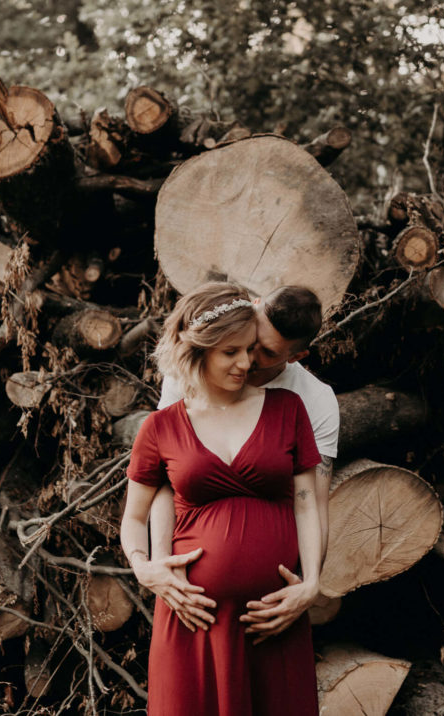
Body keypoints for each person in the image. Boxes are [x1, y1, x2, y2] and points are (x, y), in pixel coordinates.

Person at [120, 282, 322, 715]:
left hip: (272, 620)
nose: (246, 363)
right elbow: (134, 516)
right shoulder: (160, 428)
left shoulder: (289, 408)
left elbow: (307, 502)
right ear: (200, 351)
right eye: (231, 352)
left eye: (250, 350)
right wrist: (146, 569)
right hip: (193, 618)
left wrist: (311, 584)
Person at [151, 285, 339, 637]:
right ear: (254, 308)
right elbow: (166, 478)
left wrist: (309, 584)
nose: (248, 360)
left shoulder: (314, 400)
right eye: (251, 340)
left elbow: (314, 500)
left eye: (266, 352)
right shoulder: (191, 369)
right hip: (191, 591)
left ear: (297, 356)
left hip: (271, 604)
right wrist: (161, 563)